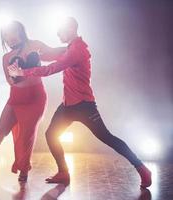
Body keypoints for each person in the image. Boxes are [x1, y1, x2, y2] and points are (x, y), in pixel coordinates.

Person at [8, 17, 152, 188]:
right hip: (67, 105)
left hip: (84, 105)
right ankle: (63, 172)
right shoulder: (71, 48)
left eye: (60, 30)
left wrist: (24, 72)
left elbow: (52, 68)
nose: (57, 33)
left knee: (107, 137)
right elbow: (50, 57)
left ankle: (142, 168)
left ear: (70, 29)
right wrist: (31, 55)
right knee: (51, 135)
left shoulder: (78, 49)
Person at [0, 20, 65, 182]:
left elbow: (54, 53)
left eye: (11, 33)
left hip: (35, 99)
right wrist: (15, 76)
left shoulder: (35, 45)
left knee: (27, 134)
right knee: (0, 131)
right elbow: (9, 81)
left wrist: (72, 47)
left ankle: (24, 170)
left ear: (20, 31)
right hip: (15, 99)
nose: (9, 38)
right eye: (5, 35)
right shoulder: (6, 57)